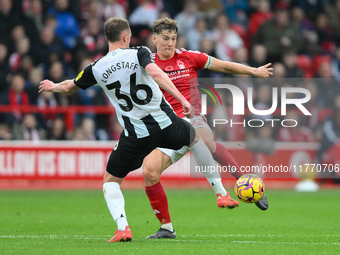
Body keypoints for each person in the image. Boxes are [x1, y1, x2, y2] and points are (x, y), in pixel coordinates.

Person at [38, 17, 228, 243]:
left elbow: (69, 87)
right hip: (165, 123)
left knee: (110, 181)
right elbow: (157, 74)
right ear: (126, 36)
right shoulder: (139, 52)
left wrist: (53, 87)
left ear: (107, 38)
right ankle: (221, 194)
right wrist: (182, 101)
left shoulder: (96, 67)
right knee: (197, 139)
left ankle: (123, 228)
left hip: (135, 135)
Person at [142, 18, 273, 239]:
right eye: (165, 38)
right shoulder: (146, 64)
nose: (170, 43)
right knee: (149, 172)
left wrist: (254, 71)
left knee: (203, 139)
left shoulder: (189, 57)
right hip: (165, 127)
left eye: (173, 38)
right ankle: (166, 228)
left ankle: (243, 181)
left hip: (192, 117)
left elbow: (224, 65)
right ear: (154, 39)